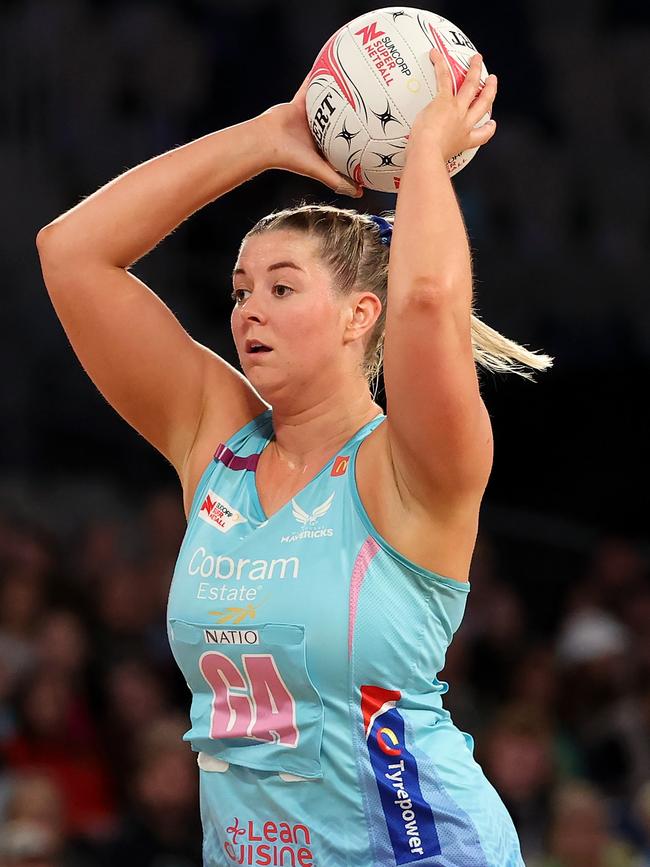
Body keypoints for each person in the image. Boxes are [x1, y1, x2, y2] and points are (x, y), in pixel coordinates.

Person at [37, 46, 551, 867]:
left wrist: (423, 151)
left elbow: (426, 301)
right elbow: (71, 252)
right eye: (240, 290)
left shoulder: (407, 464)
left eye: (281, 288)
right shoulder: (216, 440)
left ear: (359, 317)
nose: (249, 312)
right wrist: (264, 136)